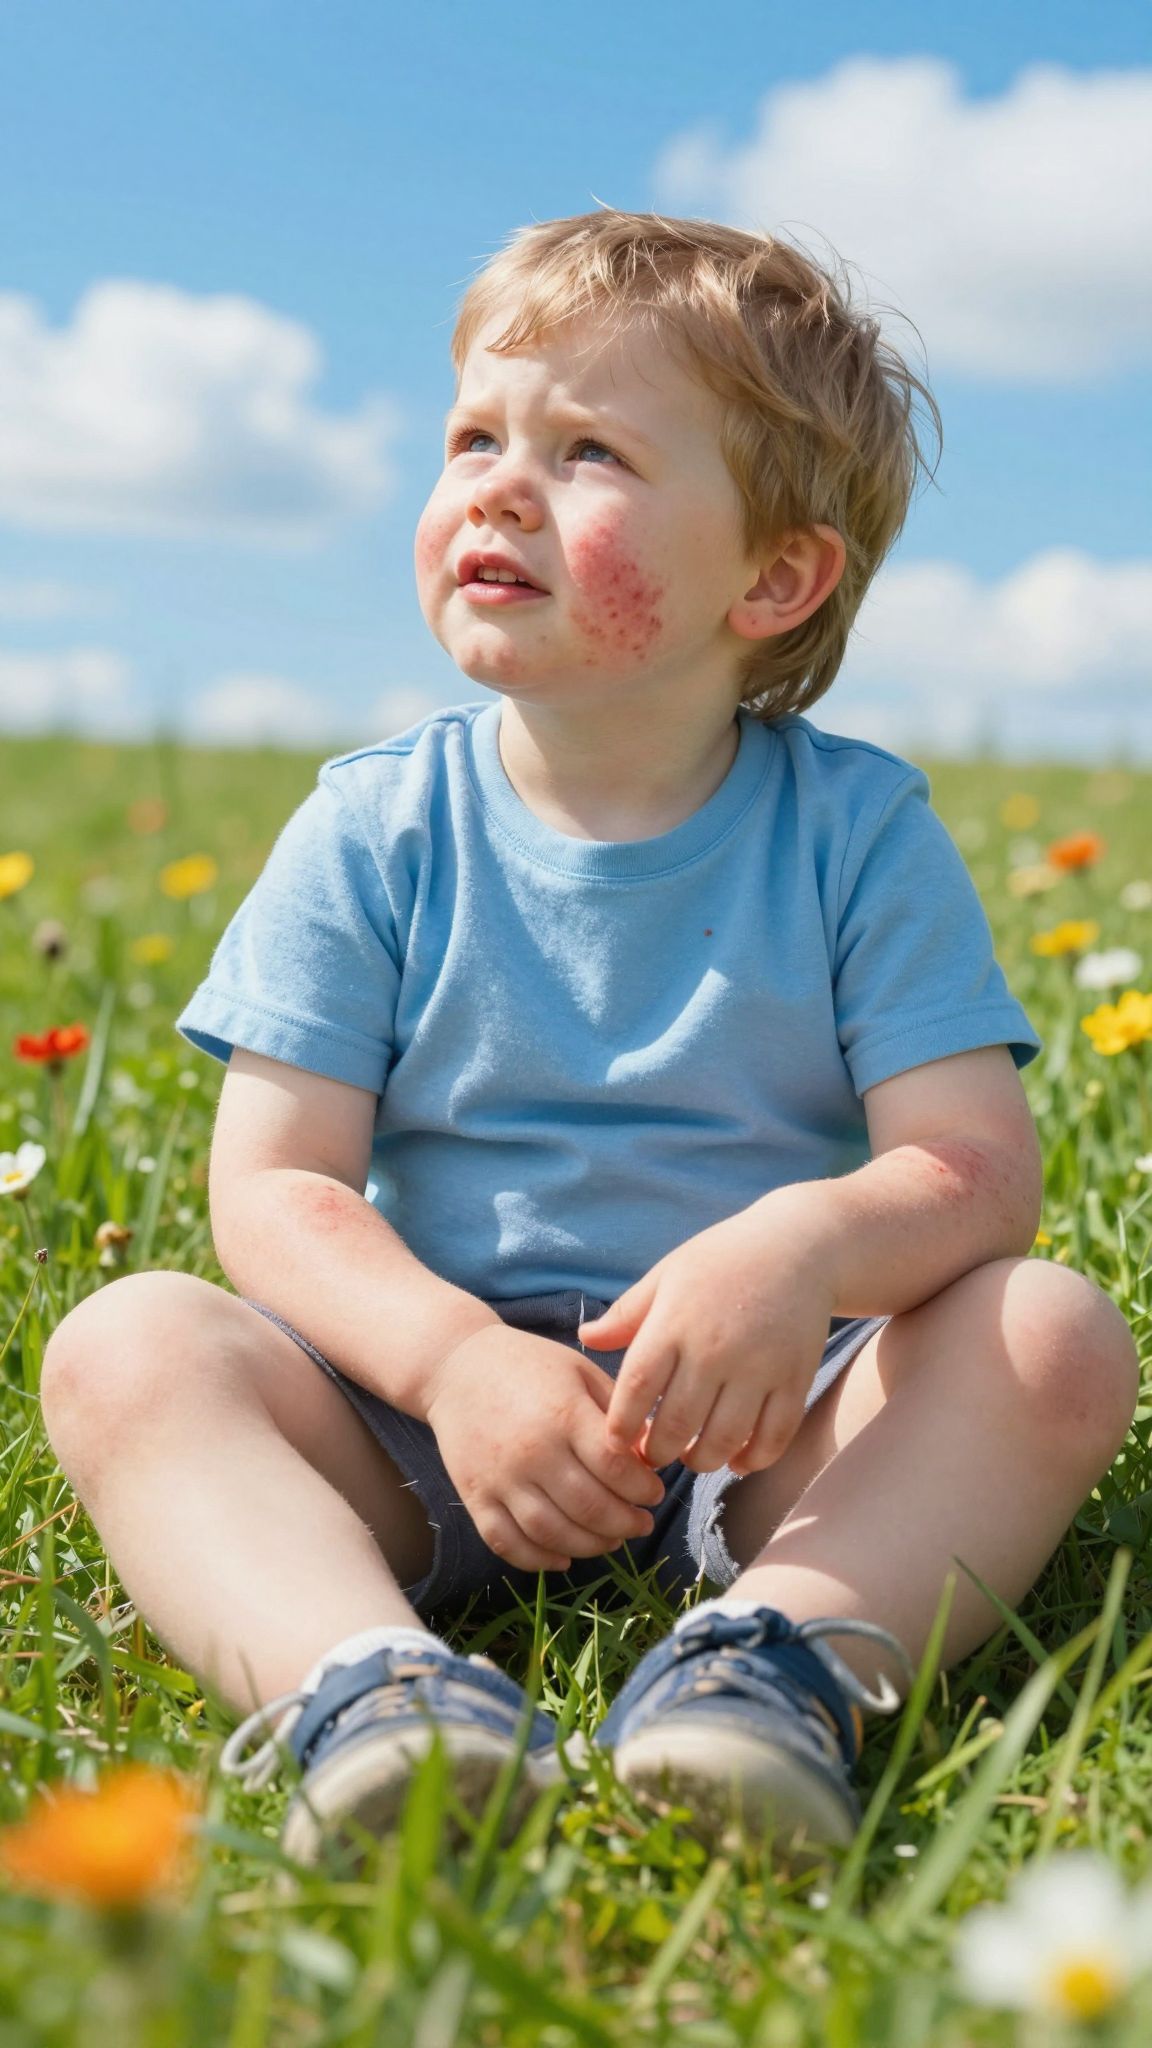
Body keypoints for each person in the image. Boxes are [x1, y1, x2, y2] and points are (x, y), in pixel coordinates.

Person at [39, 209, 1139, 1871]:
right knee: (126, 1348)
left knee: (1048, 1335)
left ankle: (771, 1663)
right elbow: (274, 1191)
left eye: (588, 451)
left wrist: (802, 1246)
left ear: (774, 577)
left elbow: (978, 1174)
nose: (496, 487)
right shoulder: (374, 830)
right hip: (414, 1422)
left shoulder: (857, 835)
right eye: (473, 438)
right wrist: (452, 1361)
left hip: (765, 1425)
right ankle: (372, 1687)